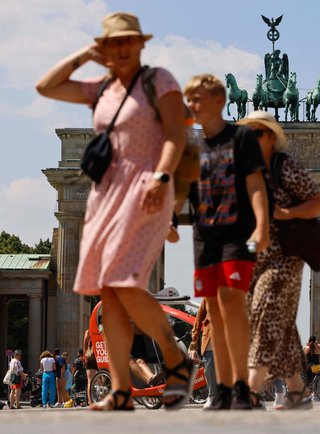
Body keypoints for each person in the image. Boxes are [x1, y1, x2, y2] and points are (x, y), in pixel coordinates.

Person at [35, 12, 196, 411]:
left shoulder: (159, 81)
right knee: (109, 295)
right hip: (106, 193)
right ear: (105, 48)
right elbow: (46, 86)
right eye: (113, 42)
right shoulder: (101, 87)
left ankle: (175, 358)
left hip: (147, 188)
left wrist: (161, 178)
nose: (121, 47)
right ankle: (122, 390)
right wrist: (85, 55)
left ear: (141, 44)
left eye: (128, 40)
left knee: (124, 284)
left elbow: (176, 136)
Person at [183, 74, 270, 410]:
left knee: (233, 303)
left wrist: (261, 224)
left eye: (198, 98)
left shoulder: (242, 137)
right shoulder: (190, 144)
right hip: (204, 238)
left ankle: (243, 387)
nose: (192, 105)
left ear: (219, 101)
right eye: (189, 100)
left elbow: (255, 184)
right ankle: (220, 389)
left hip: (237, 232)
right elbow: (181, 187)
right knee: (216, 313)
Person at [237, 110, 320, 410]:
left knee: (266, 312)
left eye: (257, 133)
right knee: (281, 324)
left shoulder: (286, 167)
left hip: (286, 257)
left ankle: (248, 391)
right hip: (257, 258)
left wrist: (289, 213)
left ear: (271, 137)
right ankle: (298, 392)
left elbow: (317, 202)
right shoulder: (246, 171)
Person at [191, 298, 217, 410]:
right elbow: (198, 318)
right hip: (210, 339)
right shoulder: (208, 296)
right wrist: (193, 345)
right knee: (209, 369)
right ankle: (212, 397)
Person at [83, 329, 98, 405]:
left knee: (90, 381)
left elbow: (85, 346)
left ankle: (90, 401)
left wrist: (84, 356)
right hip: (100, 355)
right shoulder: (103, 330)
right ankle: (104, 398)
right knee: (102, 380)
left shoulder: (88, 332)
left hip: (90, 357)